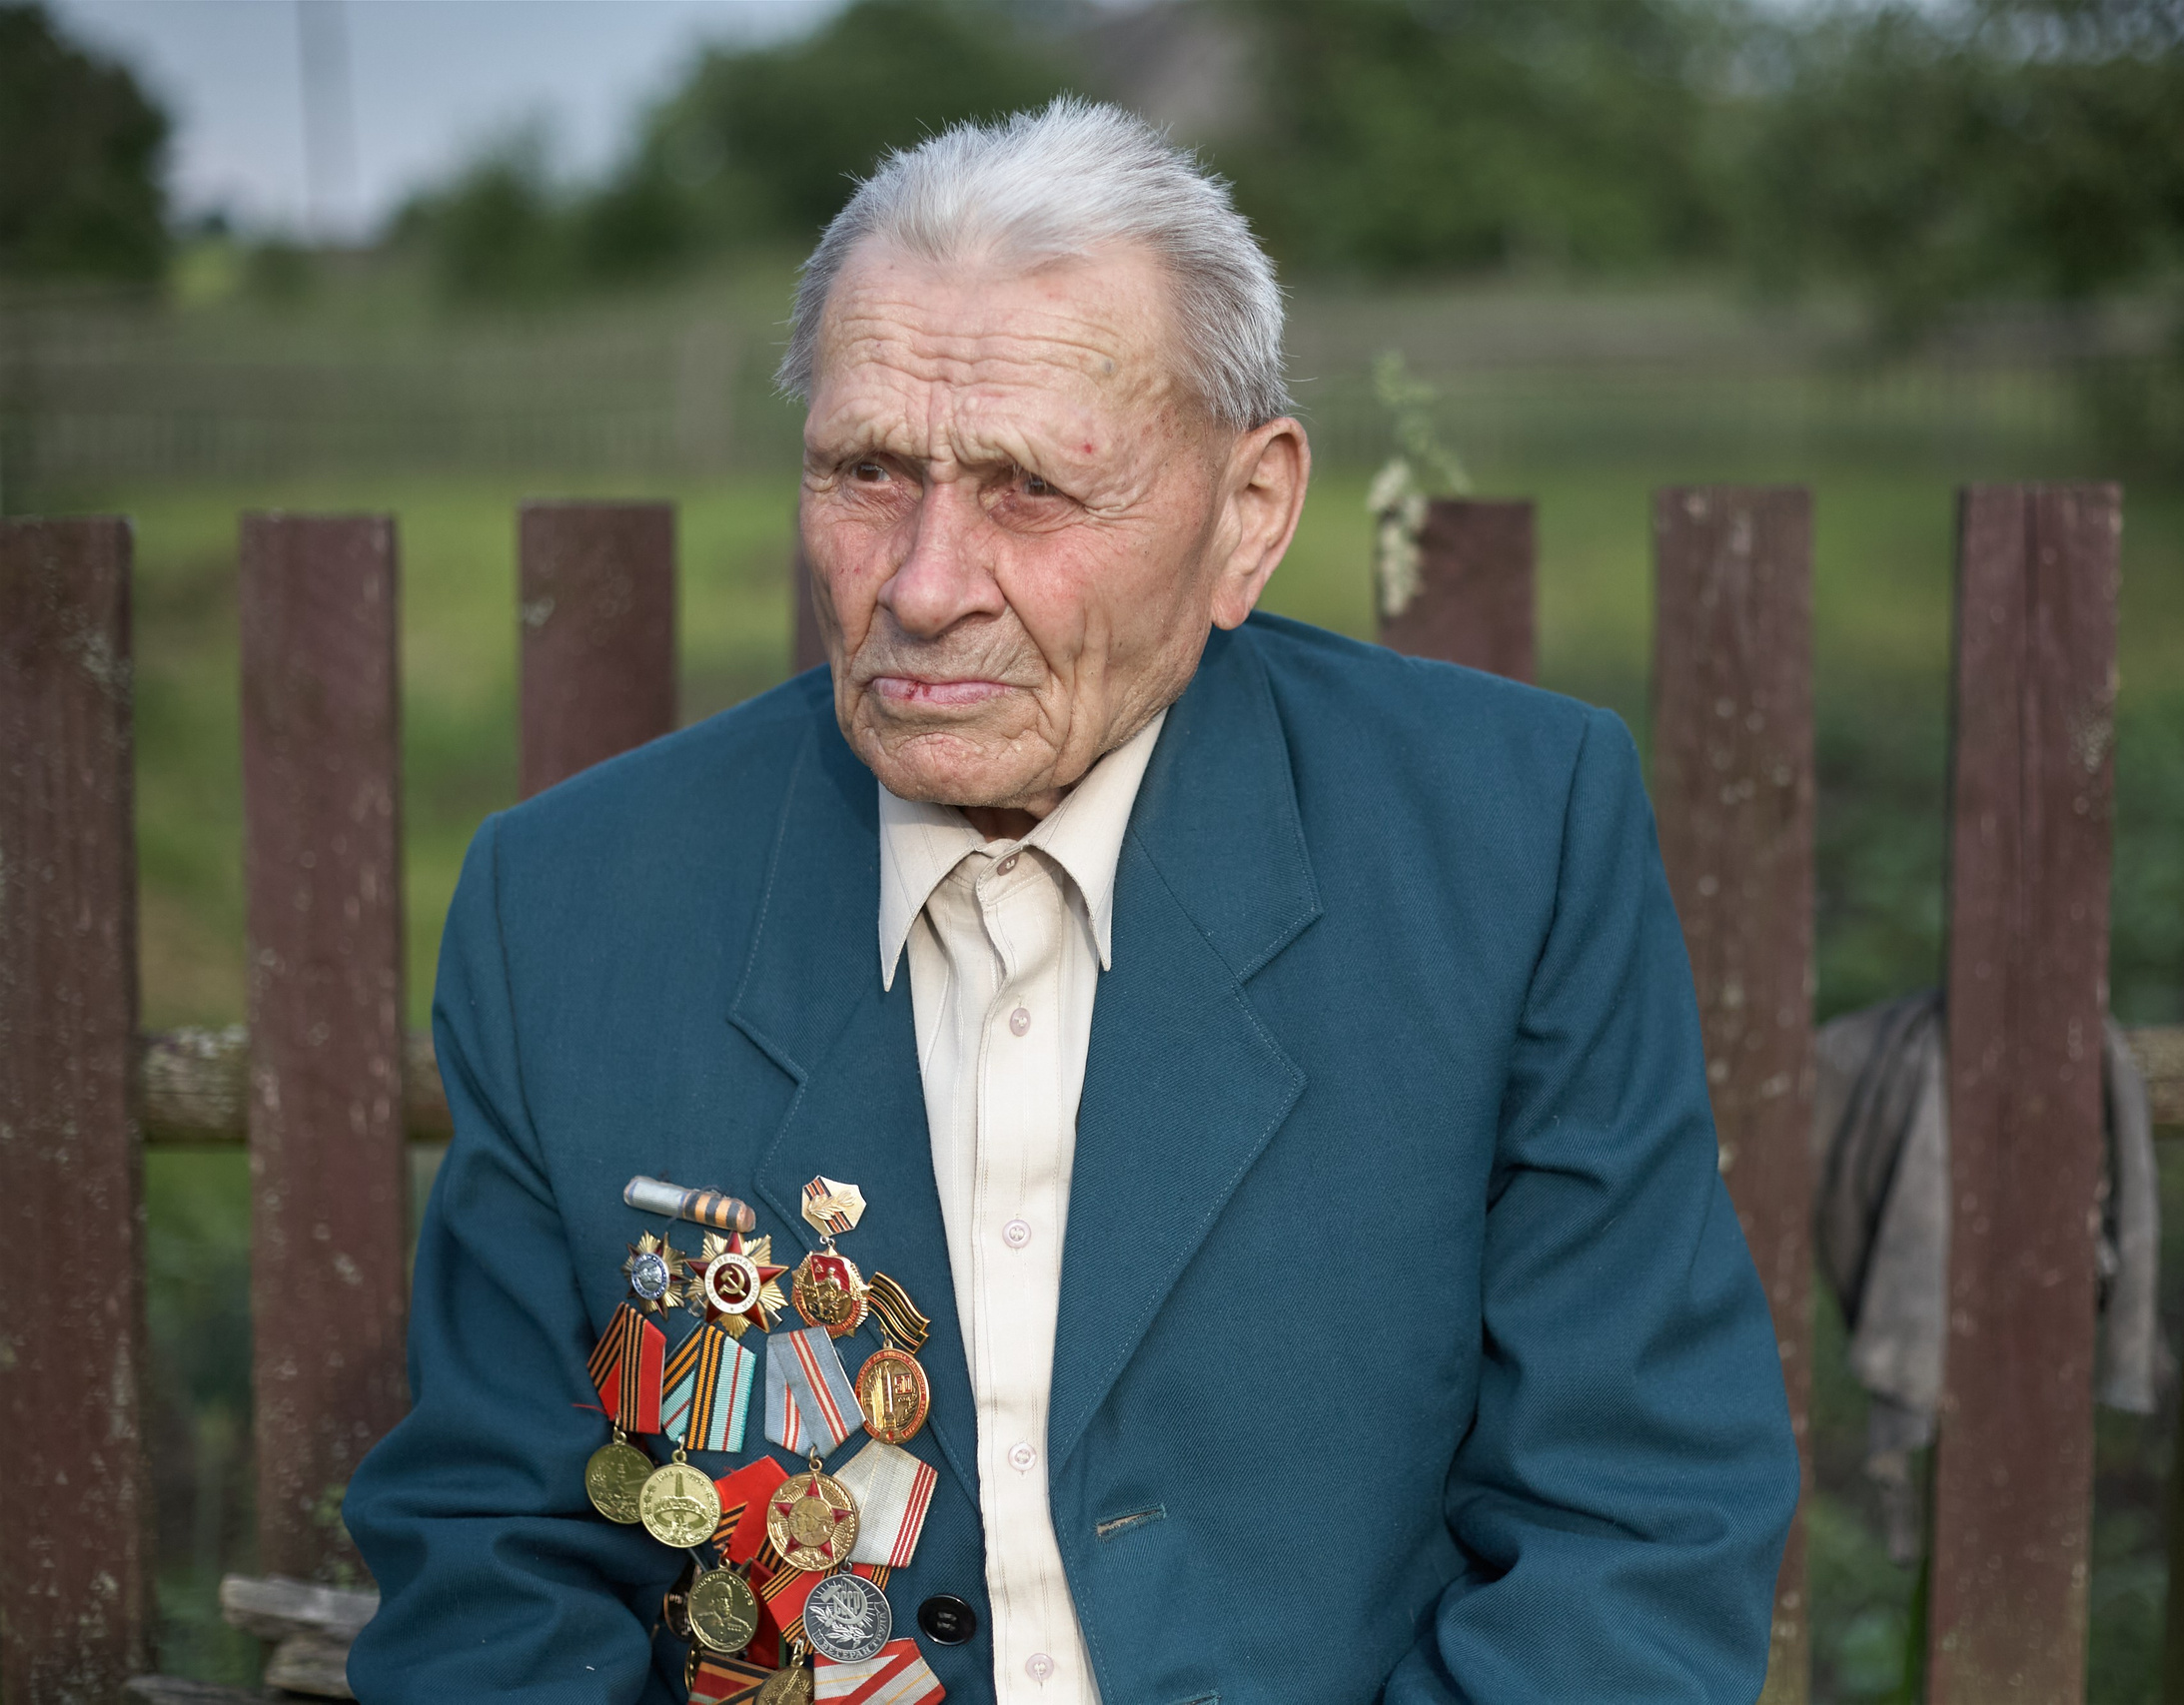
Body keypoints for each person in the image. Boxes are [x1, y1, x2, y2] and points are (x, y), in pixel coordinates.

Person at [345, 97, 1795, 1705]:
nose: (924, 581)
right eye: (867, 471)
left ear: (1249, 515)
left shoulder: (1510, 840)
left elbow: (1636, 1520)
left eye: (1030, 490)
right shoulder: (571, 908)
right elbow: (495, 1565)